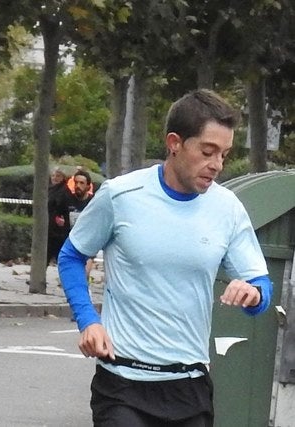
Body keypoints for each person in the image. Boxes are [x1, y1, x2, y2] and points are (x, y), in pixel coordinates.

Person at [58, 89, 271, 426]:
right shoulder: (120, 195)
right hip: (123, 383)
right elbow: (71, 256)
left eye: (224, 155)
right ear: (175, 143)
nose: (216, 165)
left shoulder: (227, 208)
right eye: (207, 151)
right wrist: (89, 320)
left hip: (189, 386)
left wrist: (253, 294)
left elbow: (260, 284)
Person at [47, 167, 74, 263]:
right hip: (49, 226)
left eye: (58, 176)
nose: (55, 178)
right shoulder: (50, 189)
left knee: (60, 255)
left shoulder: (65, 191)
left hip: (59, 229)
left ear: (63, 177)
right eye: (53, 176)